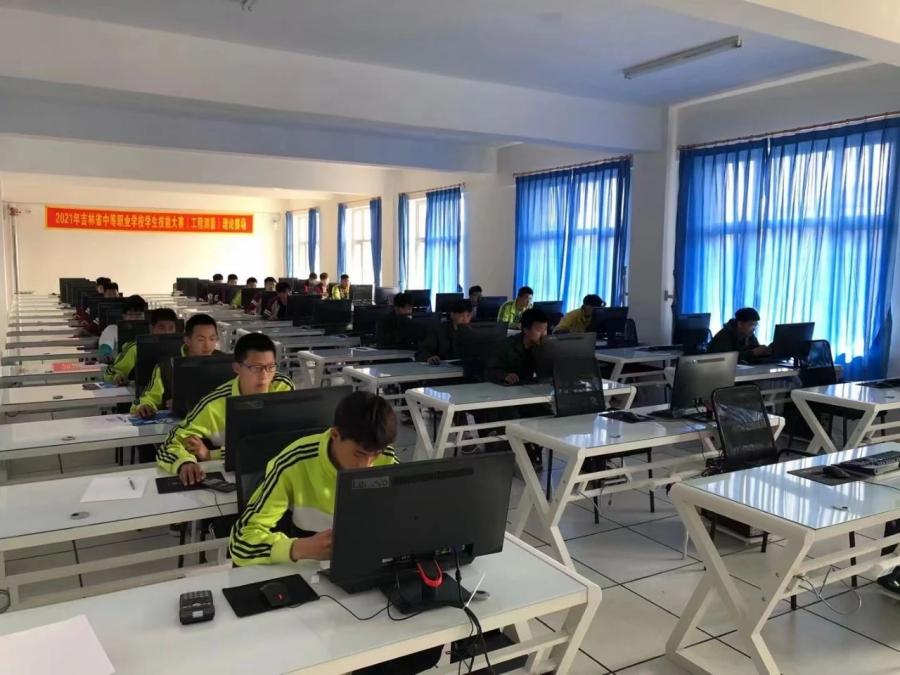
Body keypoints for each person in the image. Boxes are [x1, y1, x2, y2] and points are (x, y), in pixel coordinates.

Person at [156, 332, 295, 485]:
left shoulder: (283, 387)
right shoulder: (214, 404)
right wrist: (185, 463)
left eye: (270, 367)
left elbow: (277, 442)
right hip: (237, 480)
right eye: (256, 368)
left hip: (279, 475)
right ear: (237, 368)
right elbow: (170, 443)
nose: (264, 376)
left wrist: (213, 454)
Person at [485, 308, 551, 466]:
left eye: (545, 329)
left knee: (547, 415)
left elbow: (546, 372)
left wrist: (542, 352)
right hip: (504, 395)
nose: (544, 334)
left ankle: (531, 448)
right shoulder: (506, 346)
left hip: (527, 393)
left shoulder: (542, 347)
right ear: (526, 330)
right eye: (539, 330)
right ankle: (525, 453)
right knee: (514, 418)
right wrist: (505, 375)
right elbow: (490, 370)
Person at [132, 313, 220, 419]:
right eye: (201, 340)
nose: (207, 346)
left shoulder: (225, 363)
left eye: (212, 339)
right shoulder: (167, 367)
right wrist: (144, 406)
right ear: (187, 340)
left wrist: (189, 405)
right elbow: (148, 399)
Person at [104, 306, 177, 385]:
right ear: (151, 328)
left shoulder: (181, 349)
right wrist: (117, 376)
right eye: (161, 328)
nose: (167, 332)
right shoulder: (135, 348)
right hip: (140, 391)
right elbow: (111, 371)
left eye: (171, 328)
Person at [415, 299, 473, 364]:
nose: (465, 319)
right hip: (442, 367)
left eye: (468, 315)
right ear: (452, 315)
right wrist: (429, 357)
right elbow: (421, 352)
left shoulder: (474, 331)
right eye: (461, 316)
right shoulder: (439, 330)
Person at [98, 294, 147, 359]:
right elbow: (104, 348)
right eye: (131, 314)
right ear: (124, 316)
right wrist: (107, 356)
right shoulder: (112, 330)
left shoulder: (151, 330)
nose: (134, 318)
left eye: (139, 314)